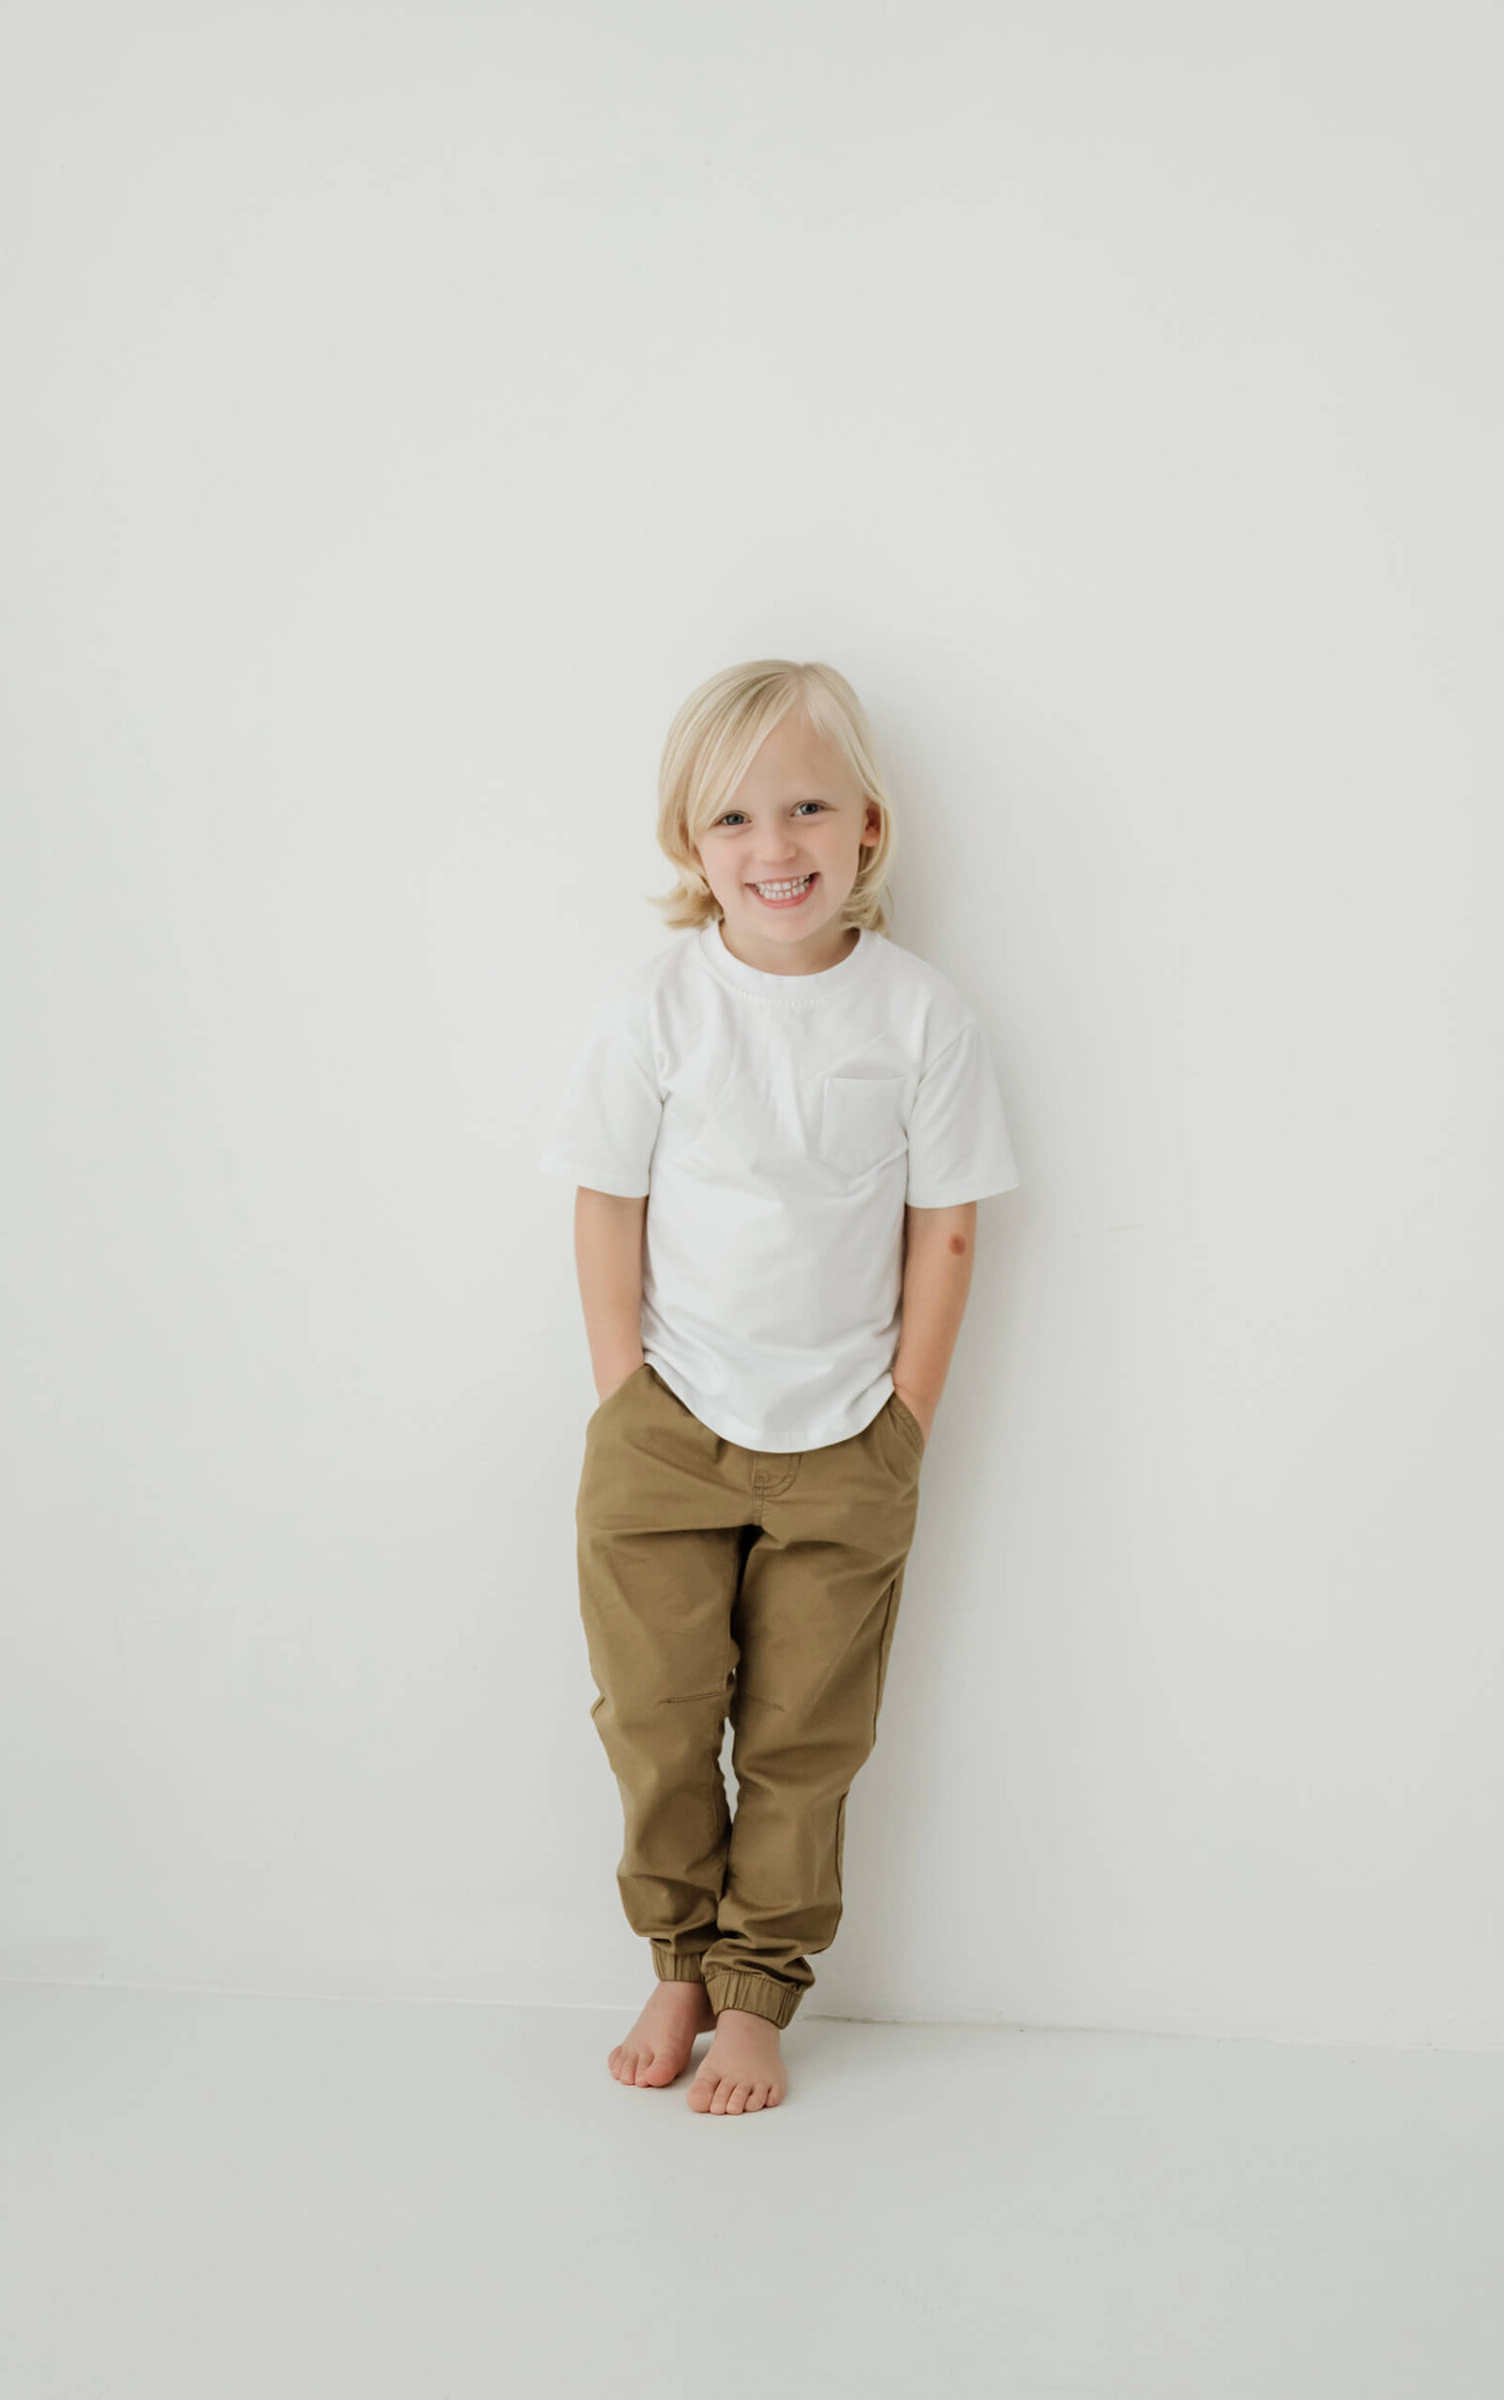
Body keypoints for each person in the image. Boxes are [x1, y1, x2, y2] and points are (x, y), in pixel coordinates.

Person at [538, 658, 1020, 2114]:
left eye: (808, 806)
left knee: (811, 1731)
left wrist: (907, 1419)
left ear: (867, 826)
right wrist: (626, 1387)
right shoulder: (657, 1011)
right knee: (658, 1710)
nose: (776, 846)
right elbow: (602, 1198)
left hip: (847, 1438)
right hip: (666, 1429)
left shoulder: (921, 1018)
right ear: (691, 845)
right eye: (735, 818)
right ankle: (676, 1956)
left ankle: (758, 1990)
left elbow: (948, 1223)